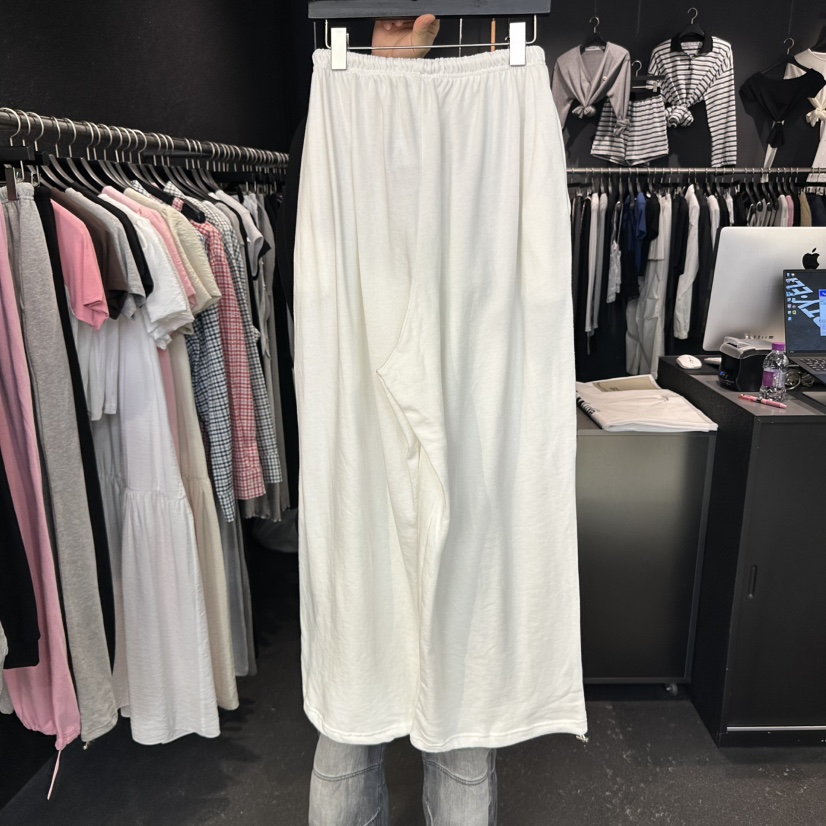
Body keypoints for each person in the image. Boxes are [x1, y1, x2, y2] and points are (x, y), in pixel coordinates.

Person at [302, 17, 500, 826]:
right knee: (458, 666)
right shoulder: (484, 129)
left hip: (414, 132)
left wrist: (387, 81)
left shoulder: (344, 123)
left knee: (361, 660)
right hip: (479, 139)